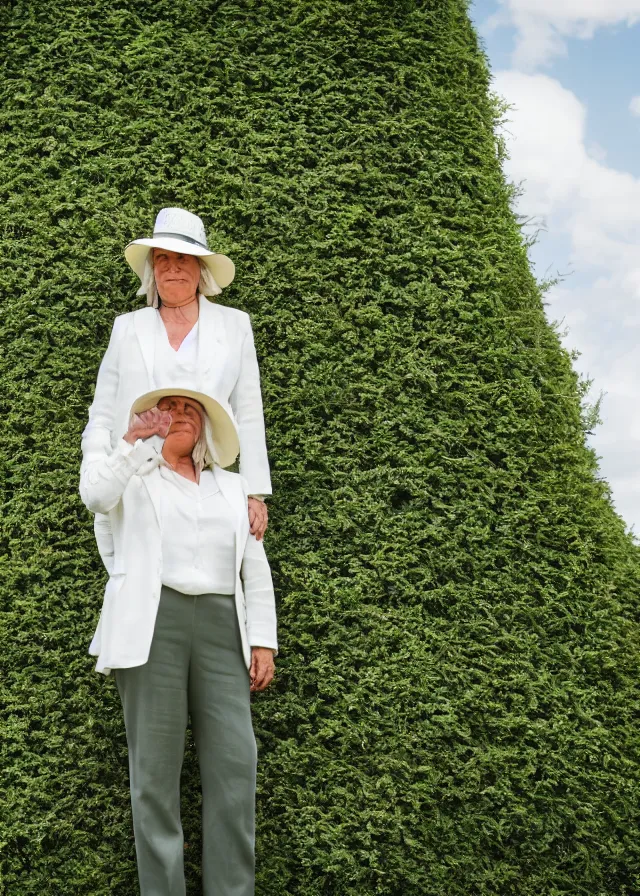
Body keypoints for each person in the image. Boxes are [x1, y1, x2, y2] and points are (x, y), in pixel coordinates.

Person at [80, 386, 277, 896]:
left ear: (207, 428)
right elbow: (97, 500)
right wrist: (133, 441)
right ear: (154, 418)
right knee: (154, 777)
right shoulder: (133, 475)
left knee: (236, 767)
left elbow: (253, 568)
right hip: (153, 626)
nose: (182, 414)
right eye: (171, 407)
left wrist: (263, 640)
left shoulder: (236, 491)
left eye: (193, 409)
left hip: (221, 629)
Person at [82, 207, 270, 575]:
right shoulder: (128, 328)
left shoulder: (234, 326)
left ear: (201, 268)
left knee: (207, 582)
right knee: (138, 592)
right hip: (135, 484)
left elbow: (248, 410)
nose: (172, 267)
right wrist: (97, 468)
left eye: (183, 258)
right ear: (152, 269)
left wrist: (254, 493)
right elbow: (102, 411)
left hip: (204, 481)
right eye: (162, 258)